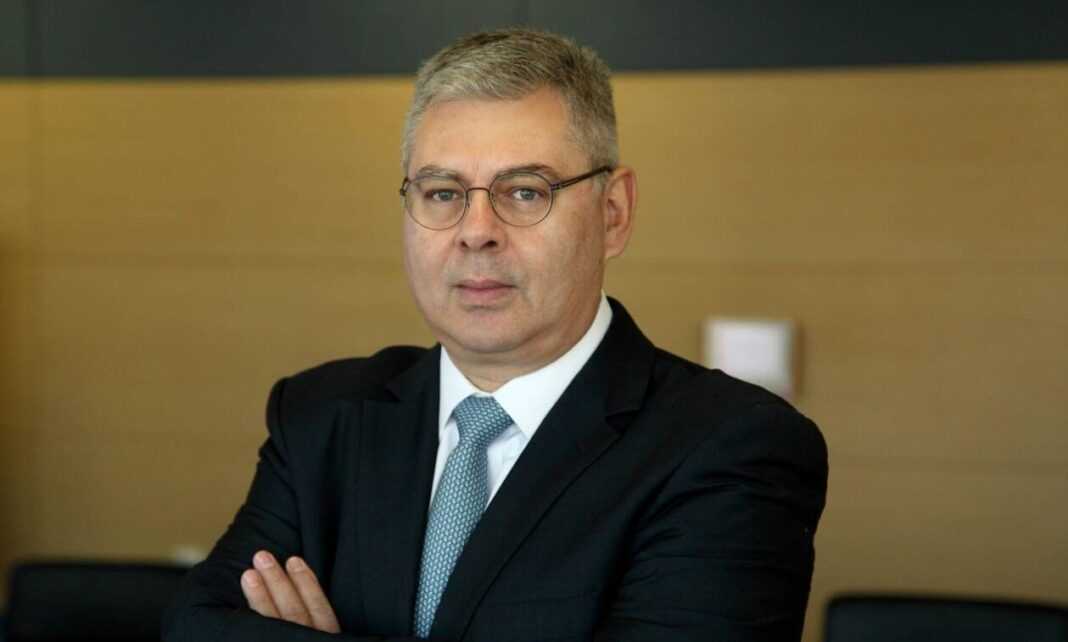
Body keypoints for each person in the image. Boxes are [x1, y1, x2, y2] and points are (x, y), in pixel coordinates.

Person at [163, 28, 828, 642]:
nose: (476, 231)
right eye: (442, 192)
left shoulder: (732, 446)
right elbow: (196, 626)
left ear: (613, 213)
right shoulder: (321, 416)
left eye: (526, 191)